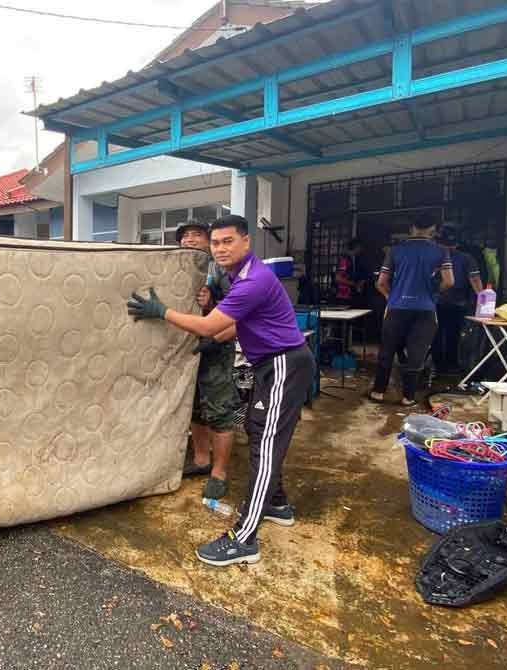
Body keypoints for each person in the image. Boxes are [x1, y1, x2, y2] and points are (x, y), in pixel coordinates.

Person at [127, 215, 314, 567]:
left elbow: (210, 323)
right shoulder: (235, 276)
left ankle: (244, 539)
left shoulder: (254, 280)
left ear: (246, 242)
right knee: (260, 432)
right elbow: (233, 325)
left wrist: (161, 311)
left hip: (284, 364)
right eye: (216, 243)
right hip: (270, 364)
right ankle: (276, 504)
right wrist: (214, 342)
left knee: (266, 443)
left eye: (228, 241)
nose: (220, 248)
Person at [176, 221, 241, 500]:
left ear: (210, 242)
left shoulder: (224, 274)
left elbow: (233, 320)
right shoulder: (177, 270)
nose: (190, 240)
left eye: (197, 235)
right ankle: (202, 460)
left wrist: (209, 306)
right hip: (186, 347)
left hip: (216, 348)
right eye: (185, 236)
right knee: (194, 408)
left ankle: (219, 472)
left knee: (219, 410)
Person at [369, 213, 454, 407]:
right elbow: (449, 282)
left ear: (411, 228)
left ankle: (378, 392)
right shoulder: (441, 252)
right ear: (433, 230)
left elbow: (381, 283)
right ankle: (408, 397)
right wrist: (433, 294)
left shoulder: (395, 251)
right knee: (417, 354)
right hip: (425, 309)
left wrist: (392, 297)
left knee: (387, 350)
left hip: (397, 307)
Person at [432, 225, 483, 374]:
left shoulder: (434, 256)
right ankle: (450, 364)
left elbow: (475, 280)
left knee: (437, 335)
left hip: (438, 302)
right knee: (452, 335)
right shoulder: (466, 258)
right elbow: (475, 281)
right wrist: (484, 303)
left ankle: (439, 365)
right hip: (456, 303)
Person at [333, 238, 368, 306]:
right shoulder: (344, 259)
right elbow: (338, 278)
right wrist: (354, 284)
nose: (362, 249)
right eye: (361, 247)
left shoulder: (356, 259)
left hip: (351, 294)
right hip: (343, 294)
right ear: (356, 247)